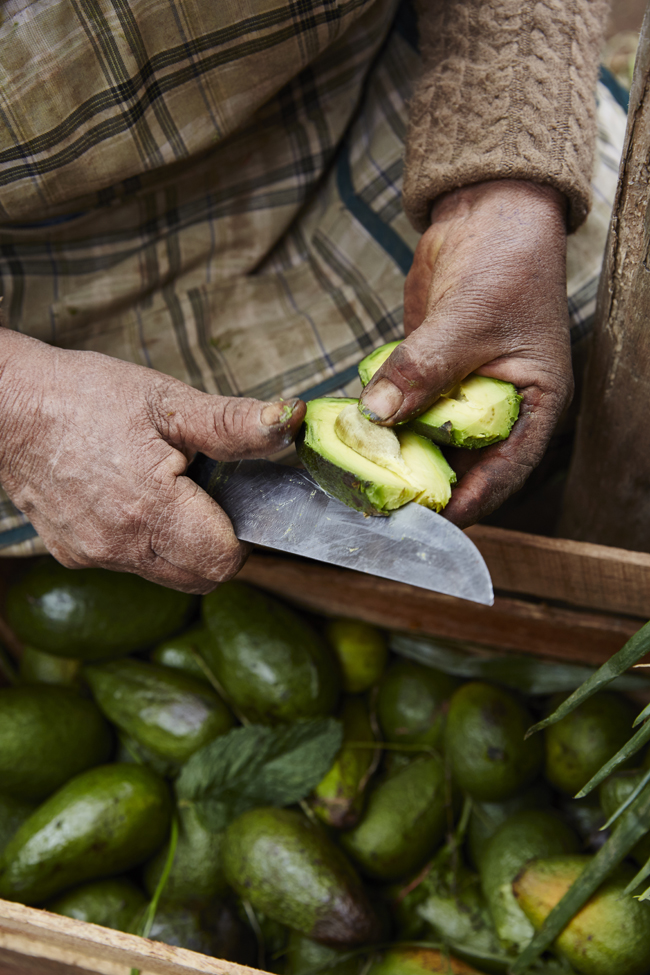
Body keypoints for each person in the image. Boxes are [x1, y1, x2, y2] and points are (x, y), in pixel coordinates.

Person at [0, 0, 613, 593]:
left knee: (606, 364)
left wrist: (504, 185)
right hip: (44, 304)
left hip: (421, 112)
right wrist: (22, 411)